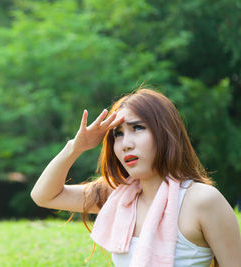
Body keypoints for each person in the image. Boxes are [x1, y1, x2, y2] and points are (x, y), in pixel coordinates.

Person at [30, 88, 241, 267]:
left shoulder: (202, 201)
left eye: (137, 128)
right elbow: (44, 196)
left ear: (164, 133)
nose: (125, 143)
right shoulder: (118, 196)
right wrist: (76, 147)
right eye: (118, 134)